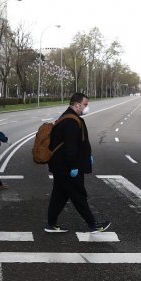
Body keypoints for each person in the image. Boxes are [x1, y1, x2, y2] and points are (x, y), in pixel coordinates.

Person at [45, 93, 110, 233]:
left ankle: (51, 224)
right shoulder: (71, 121)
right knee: (78, 195)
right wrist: (74, 166)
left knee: (59, 195)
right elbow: (71, 148)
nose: (86, 107)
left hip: (61, 166)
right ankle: (93, 225)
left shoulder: (68, 117)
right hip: (68, 168)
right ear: (76, 105)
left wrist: (87, 156)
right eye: (85, 104)